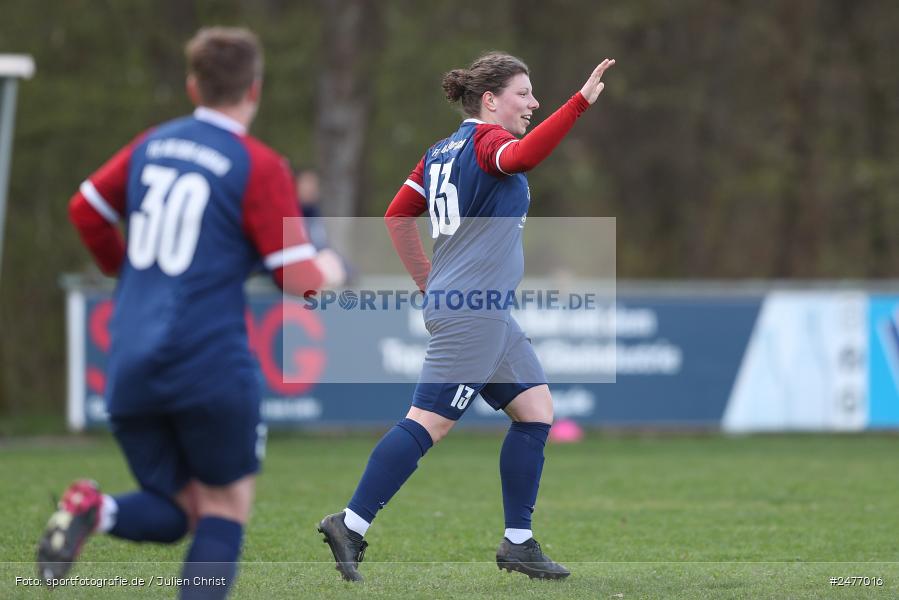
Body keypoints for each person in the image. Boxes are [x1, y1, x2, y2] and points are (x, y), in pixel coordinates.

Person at [38, 27, 344, 598]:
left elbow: (85, 209)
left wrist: (124, 269)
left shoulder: (152, 144)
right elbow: (297, 280)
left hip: (129, 361)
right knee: (226, 508)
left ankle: (93, 509)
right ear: (254, 90)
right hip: (206, 360)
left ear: (192, 85)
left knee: (181, 512)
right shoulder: (258, 164)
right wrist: (331, 269)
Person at [317, 52, 615, 581]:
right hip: (473, 312)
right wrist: (580, 103)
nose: (532, 102)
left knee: (537, 410)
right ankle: (351, 523)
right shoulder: (487, 142)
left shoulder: (437, 153)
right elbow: (523, 157)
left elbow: (396, 215)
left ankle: (519, 544)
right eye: (523, 94)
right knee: (427, 423)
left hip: (483, 310)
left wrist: (428, 282)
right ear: (490, 100)